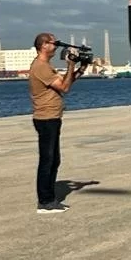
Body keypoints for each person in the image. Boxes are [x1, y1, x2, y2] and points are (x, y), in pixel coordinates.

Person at [29, 33, 86, 213]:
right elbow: (65, 88)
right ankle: (45, 202)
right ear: (44, 45)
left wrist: (81, 69)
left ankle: (50, 199)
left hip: (52, 117)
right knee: (47, 160)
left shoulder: (46, 66)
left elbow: (64, 82)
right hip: (46, 118)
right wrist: (70, 64)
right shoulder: (40, 67)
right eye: (54, 43)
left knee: (54, 160)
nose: (56, 47)